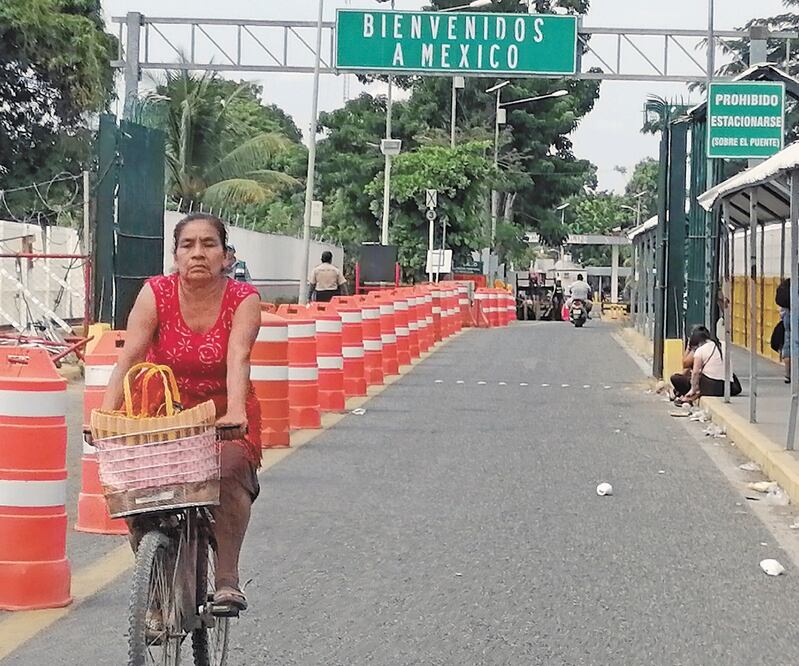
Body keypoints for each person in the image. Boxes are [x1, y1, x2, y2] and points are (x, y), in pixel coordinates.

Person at [101, 212, 261, 611]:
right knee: (138, 492)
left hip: (223, 417)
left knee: (227, 472)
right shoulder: (156, 293)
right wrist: (104, 415)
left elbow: (238, 357)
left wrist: (236, 413)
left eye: (209, 244)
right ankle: (154, 588)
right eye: (188, 245)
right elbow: (130, 357)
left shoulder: (244, 299)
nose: (198, 253)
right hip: (162, 413)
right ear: (175, 255)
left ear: (226, 256)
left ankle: (226, 577)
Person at [671, 325, 741, 404]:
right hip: (729, 387)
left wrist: (693, 389)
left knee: (675, 378)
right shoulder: (724, 344)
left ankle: (687, 396)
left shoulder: (700, 350)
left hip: (712, 387)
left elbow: (695, 372)